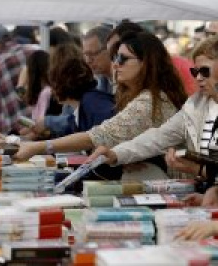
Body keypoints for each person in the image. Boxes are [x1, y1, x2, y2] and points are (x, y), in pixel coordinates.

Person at [86, 35, 218, 239]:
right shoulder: (197, 103)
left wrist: (201, 171)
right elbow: (159, 136)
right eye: (195, 71)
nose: (198, 77)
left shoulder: (156, 100)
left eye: (205, 71)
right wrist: (116, 154)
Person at [14, 32, 187, 178]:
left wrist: (38, 147)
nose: (115, 64)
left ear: (147, 63)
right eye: (114, 57)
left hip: (170, 188)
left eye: (123, 58)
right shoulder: (137, 96)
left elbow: (99, 135)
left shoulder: (151, 101)